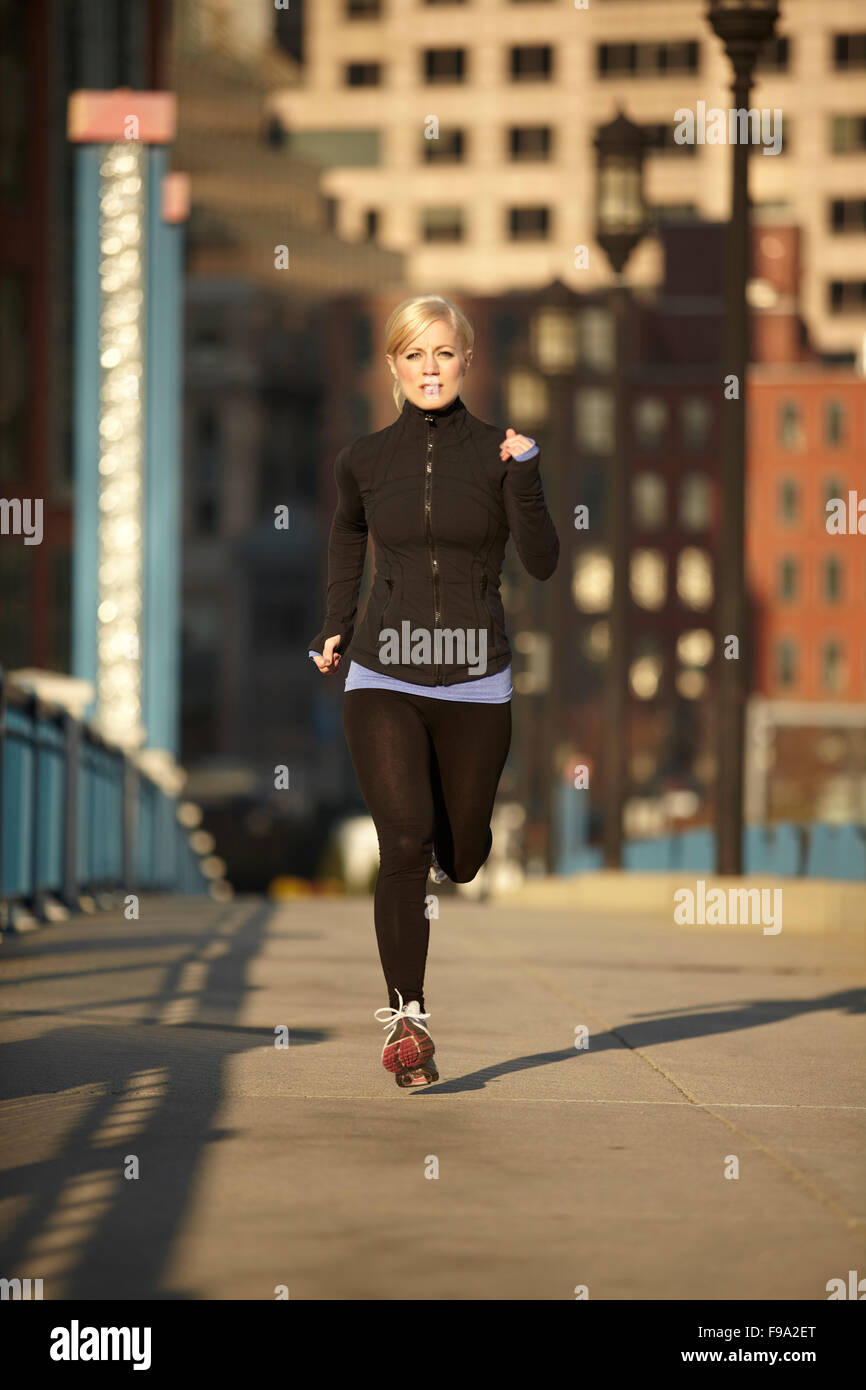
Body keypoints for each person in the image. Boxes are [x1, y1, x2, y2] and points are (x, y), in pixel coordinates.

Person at [308, 294, 558, 1088]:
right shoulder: (364, 459)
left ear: (467, 361)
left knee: (464, 850)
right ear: (392, 367)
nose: (429, 368)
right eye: (414, 355)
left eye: (443, 353)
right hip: (384, 670)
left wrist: (526, 476)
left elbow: (544, 560)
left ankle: (466, 846)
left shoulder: (499, 453)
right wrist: (336, 623)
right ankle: (406, 1020)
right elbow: (348, 530)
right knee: (405, 840)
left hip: (476, 681)